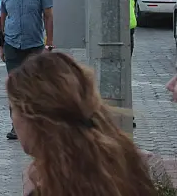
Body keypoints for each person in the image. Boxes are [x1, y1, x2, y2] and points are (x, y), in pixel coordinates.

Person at [8, 52, 158, 196]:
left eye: (12, 108)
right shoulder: (127, 162)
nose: (13, 118)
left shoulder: (54, 186)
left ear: (33, 117)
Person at [0, 0, 53, 140]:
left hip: (34, 46)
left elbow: (48, 16)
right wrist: (1, 44)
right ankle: (17, 126)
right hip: (12, 45)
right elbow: (3, 17)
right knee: (14, 88)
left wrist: (49, 44)